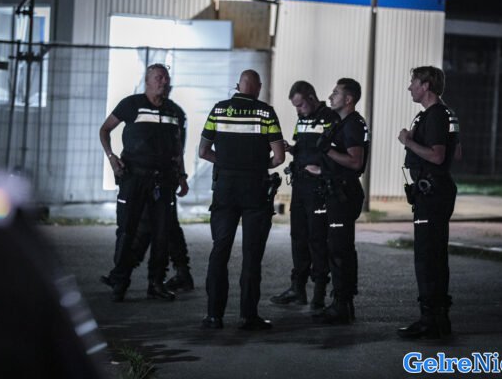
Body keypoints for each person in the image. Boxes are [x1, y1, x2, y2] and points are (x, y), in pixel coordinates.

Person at [199, 69, 285, 330]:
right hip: (255, 189)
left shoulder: (218, 110)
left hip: (224, 188)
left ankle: (214, 316)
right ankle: (248, 316)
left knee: (220, 250)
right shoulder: (266, 113)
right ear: (258, 87)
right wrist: (257, 165)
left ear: (238, 86)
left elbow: (203, 151)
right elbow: (279, 157)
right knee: (251, 254)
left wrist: (227, 163)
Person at [99, 63, 189, 302]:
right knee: (127, 231)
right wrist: (111, 157)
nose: (164, 82)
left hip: (164, 181)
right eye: (159, 77)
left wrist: (182, 176)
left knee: (161, 233)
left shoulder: (174, 112)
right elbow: (105, 130)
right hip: (134, 178)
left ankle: (156, 283)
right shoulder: (131, 104)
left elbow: (178, 148)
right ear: (147, 81)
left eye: (166, 78)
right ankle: (120, 281)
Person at [396, 66, 461, 339]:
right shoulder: (443, 114)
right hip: (437, 189)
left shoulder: (435, 115)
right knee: (434, 255)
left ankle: (430, 320)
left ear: (426, 86)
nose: (409, 87)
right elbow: (457, 153)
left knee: (427, 257)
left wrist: (408, 141)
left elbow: (437, 156)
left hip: (432, 192)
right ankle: (438, 318)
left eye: (413, 82)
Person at [269, 81, 338, 311]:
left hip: (318, 188)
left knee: (317, 239)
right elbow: (303, 145)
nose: (298, 110)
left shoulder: (330, 118)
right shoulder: (303, 118)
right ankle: (297, 289)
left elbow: (333, 150)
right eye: (295, 106)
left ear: (310, 97)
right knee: (298, 237)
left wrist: (321, 169)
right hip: (300, 185)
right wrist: (292, 149)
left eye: (300, 105)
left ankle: (319, 291)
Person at [311, 78, 369, 324]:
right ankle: (341, 302)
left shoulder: (353, 124)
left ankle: (342, 305)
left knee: (340, 250)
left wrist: (328, 151)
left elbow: (355, 162)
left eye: (336, 93)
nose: (330, 96)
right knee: (336, 248)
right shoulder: (342, 122)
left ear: (348, 99)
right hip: (336, 190)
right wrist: (321, 170)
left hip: (344, 193)